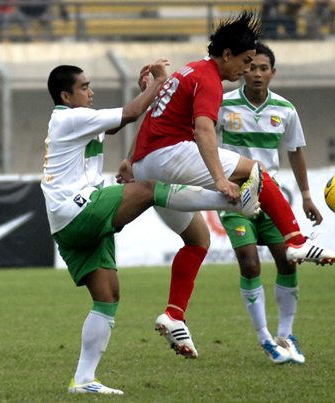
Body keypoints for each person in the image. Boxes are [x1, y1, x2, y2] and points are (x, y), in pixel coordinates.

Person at [116, 10, 335, 361]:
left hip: (148, 164)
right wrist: (221, 177)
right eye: (245, 61)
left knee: (198, 239)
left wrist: (131, 160)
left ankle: (173, 313)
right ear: (226, 55)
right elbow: (204, 129)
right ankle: (296, 241)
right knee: (256, 172)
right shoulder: (207, 77)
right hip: (169, 156)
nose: (246, 69)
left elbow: (155, 117)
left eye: (255, 63)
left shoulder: (186, 71)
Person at [42, 62, 260, 395]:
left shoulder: (78, 119)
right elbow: (130, 114)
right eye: (85, 87)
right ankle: (232, 202)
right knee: (148, 189)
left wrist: (149, 90)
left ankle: (84, 380)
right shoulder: (70, 118)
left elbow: (121, 122)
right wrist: (159, 82)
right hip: (78, 207)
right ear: (65, 96)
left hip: (66, 221)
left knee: (107, 296)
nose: (91, 91)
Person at [215, 42, 321, 364]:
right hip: (233, 197)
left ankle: (285, 335)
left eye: (264, 68)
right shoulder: (222, 104)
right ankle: (264, 338)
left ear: (273, 73)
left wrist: (305, 196)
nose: (257, 74)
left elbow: (295, 150)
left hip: (270, 197)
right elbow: (201, 140)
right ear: (243, 70)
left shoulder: (285, 110)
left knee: (288, 261)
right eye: (252, 67)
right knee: (249, 263)